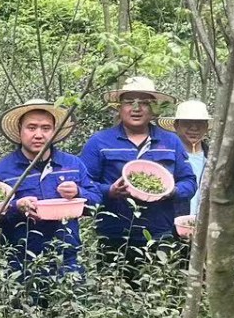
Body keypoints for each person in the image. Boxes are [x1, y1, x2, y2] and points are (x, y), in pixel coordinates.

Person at [80, 77, 196, 267]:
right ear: (119, 108)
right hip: (114, 237)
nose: (136, 108)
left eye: (144, 102)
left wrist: (172, 191)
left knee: (158, 283)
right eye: (129, 102)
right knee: (112, 284)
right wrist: (110, 191)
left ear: (153, 108)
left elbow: (189, 182)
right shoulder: (99, 142)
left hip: (160, 235)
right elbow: (84, 185)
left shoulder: (171, 141)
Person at [0, 100, 95, 284]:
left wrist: (78, 192)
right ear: (20, 130)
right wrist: (16, 207)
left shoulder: (72, 164)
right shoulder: (1, 171)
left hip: (67, 261)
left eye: (46, 128)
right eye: (31, 128)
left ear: (55, 131)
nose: (38, 135)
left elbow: (97, 201)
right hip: (21, 265)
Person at [162, 100, 212, 217]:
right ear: (176, 125)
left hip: (205, 222)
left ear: (206, 127)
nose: (194, 128)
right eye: (187, 122)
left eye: (199, 123)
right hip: (173, 220)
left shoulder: (214, 158)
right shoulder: (165, 156)